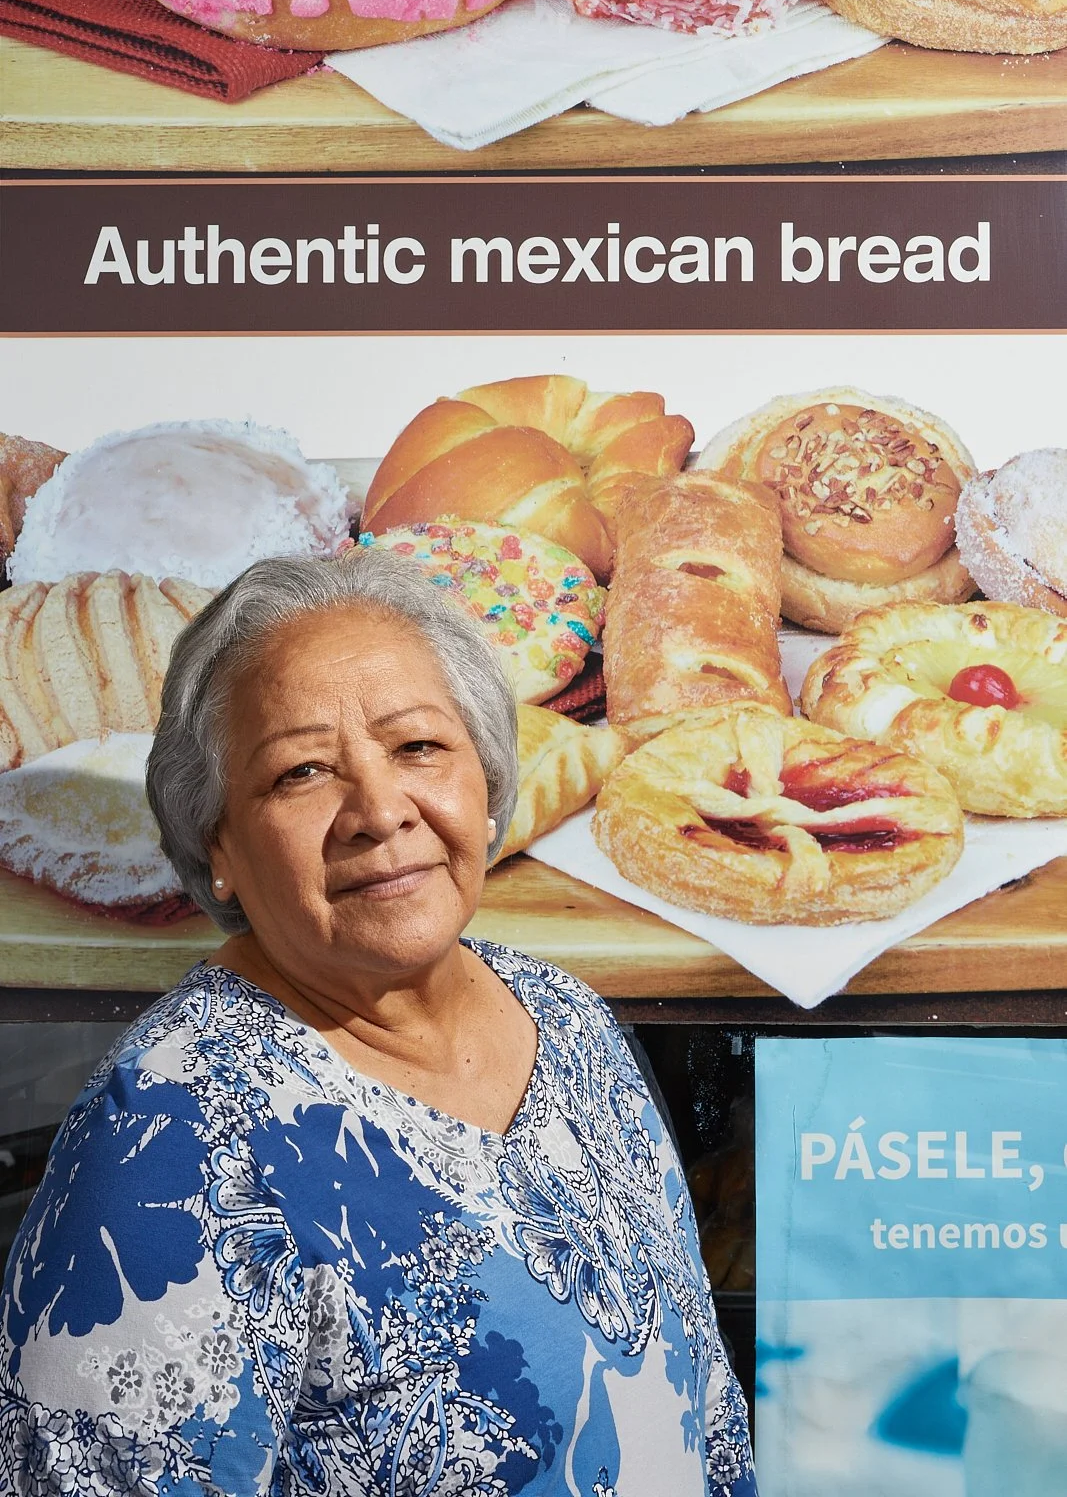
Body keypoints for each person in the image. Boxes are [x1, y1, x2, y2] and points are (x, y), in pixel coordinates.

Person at [0, 549, 758, 1497]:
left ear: (482, 782)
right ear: (215, 843)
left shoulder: (564, 1016)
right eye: (301, 771)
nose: (378, 810)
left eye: (417, 748)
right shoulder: (166, 1141)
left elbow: (698, 1414)